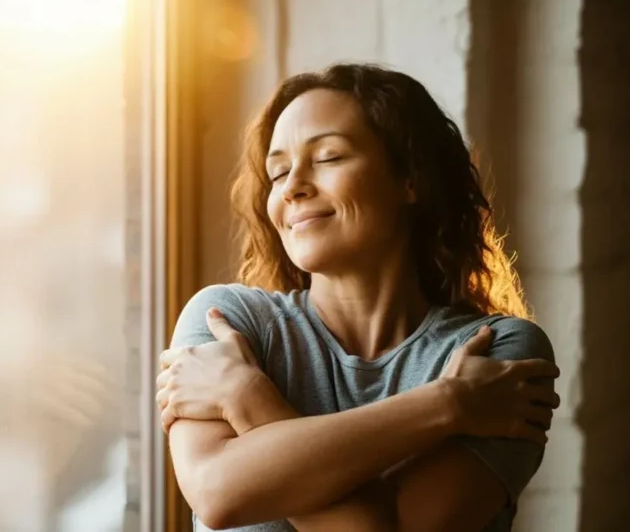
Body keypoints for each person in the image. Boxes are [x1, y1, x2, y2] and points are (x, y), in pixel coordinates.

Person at [155, 63, 561, 531]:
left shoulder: (498, 356)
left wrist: (247, 399)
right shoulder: (228, 322)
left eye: (328, 157)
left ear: (410, 178)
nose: (293, 188)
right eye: (278, 171)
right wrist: (446, 405)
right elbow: (216, 493)